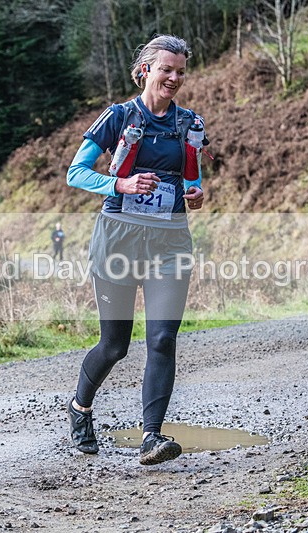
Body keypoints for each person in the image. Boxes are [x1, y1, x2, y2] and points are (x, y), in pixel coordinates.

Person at [65, 35, 205, 466]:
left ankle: (152, 437)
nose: (174, 78)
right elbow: (76, 173)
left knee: (162, 338)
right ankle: (80, 408)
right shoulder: (119, 117)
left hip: (169, 239)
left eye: (180, 71)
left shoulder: (191, 124)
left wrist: (195, 193)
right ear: (145, 70)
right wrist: (120, 184)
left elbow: (192, 178)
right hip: (119, 237)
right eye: (166, 69)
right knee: (115, 345)